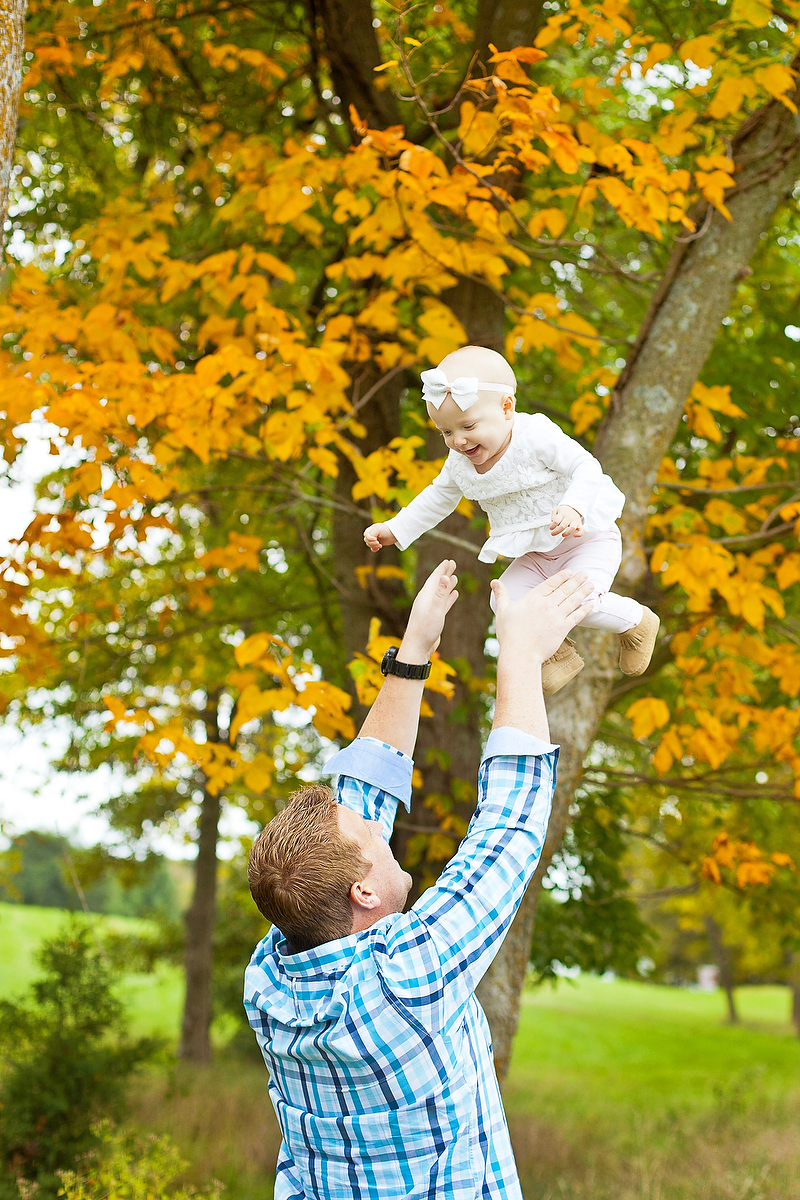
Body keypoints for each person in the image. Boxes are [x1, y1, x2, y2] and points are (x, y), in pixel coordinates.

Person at [244, 558, 595, 1199]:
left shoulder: (273, 979)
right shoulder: (404, 979)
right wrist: (517, 654)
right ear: (364, 895)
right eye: (372, 838)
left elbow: (359, 803)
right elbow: (509, 829)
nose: (382, 828)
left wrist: (414, 653)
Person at [363, 344, 659, 695]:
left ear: (507, 408)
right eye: (445, 432)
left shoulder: (534, 436)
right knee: (504, 603)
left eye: (468, 425)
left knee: (579, 599)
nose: (458, 440)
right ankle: (553, 655)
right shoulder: (459, 462)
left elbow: (585, 466)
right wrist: (395, 528)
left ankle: (637, 621)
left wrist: (574, 507)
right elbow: (437, 497)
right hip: (535, 554)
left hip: (586, 537)